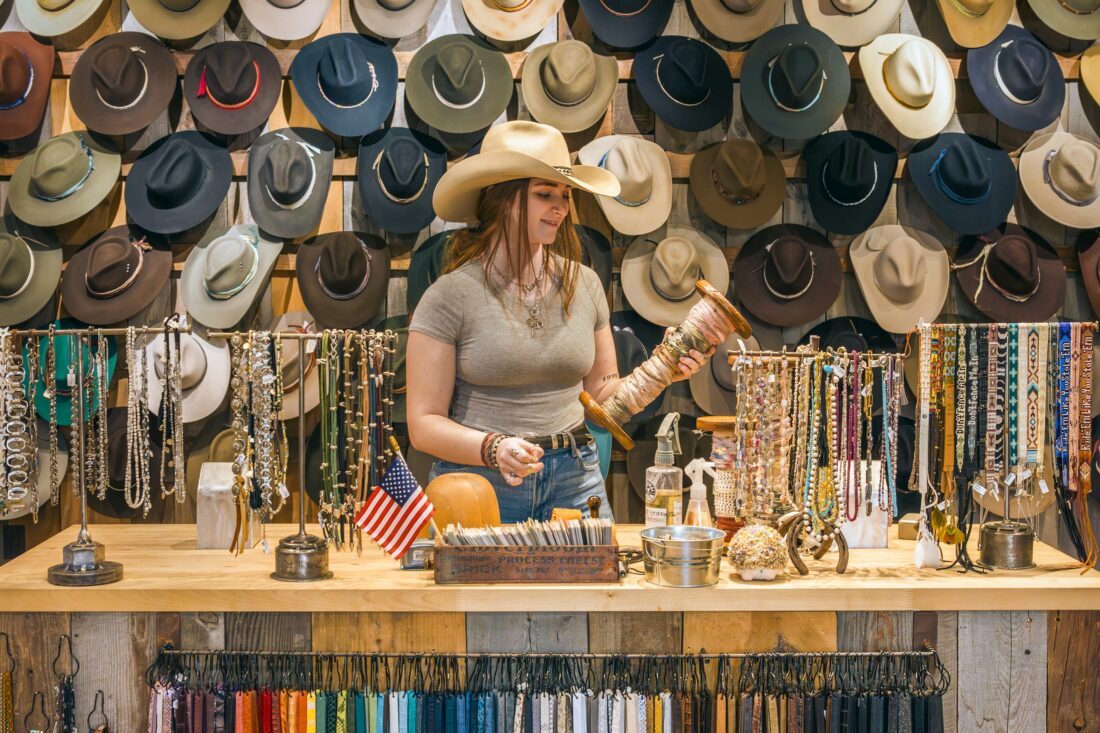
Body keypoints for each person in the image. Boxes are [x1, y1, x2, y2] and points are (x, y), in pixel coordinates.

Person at [406, 121, 712, 522]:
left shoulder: (583, 284)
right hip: (481, 485)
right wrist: (494, 448)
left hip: (575, 479)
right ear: (501, 199)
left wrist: (664, 369)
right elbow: (424, 424)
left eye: (566, 195)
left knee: (589, 586)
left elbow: (603, 396)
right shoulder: (451, 296)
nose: (562, 208)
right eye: (544, 194)